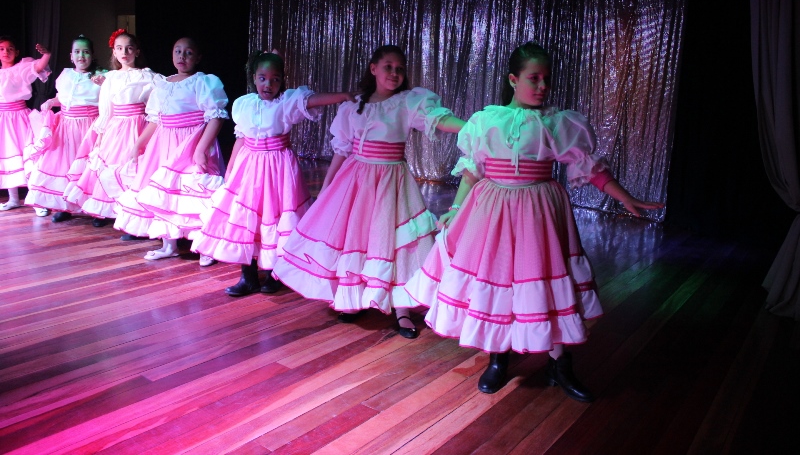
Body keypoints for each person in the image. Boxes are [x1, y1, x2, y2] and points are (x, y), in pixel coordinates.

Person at [405, 41, 664, 399]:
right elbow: (473, 170)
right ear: (513, 79)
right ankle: (499, 356)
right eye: (534, 78)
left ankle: (559, 363)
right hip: (493, 210)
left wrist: (625, 198)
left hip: (538, 211)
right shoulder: (487, 120)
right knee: (498, 279)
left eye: (546, 79)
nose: (542, 86)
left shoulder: (557, 123)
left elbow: (589, 168)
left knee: (541, 280)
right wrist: (457, 207)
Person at [273, 45, 465, 339]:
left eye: (400, 69)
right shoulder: (354, 106)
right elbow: (342, 149)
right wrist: (327, 186)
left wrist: (469, 126)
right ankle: (354, 298)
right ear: (373, 68)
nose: (395, 73)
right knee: (357, 238)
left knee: (396, 243)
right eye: (388, 67)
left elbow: (436, 119)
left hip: (391, 182)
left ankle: (402, 308)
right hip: (357, 180)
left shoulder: (407, 102)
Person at [191, 50, 355, 293]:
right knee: (249, 218)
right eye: (263, 78)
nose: (268, 84)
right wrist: (231, 169)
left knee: (275, 216)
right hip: (250, 167)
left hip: (278, 168)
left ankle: (274, 273)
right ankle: (248, 275)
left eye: (275, 79)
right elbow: (241, 138)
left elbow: (312, 100)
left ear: (282, 81)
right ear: (254, 78)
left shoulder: (286, 102)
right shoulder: (244, 104)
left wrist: (343, 95)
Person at [110, 37, 228, 263]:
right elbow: (156, 119)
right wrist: (139, 143)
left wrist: (201, 149)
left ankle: (205, 245)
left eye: (188, 53)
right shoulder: (163, 83)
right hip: (164, 145)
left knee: (194, 191)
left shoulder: (202, 82)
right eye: (178, 51)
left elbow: (216, 116)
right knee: (166, 194)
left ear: (198, 57)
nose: (182, 56)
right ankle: (169, 245)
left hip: (190, 143)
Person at [63, 29, 158, 228]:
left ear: (137, 51)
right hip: (117, 128)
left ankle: (132, 213)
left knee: (134, 167)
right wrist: (100, 136)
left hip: (138, 125)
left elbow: (154, 106)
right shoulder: (111, 78)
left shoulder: (148, 76)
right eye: (120, 48)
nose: (125, 52)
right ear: (114, 52)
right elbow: (106, 110)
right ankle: (105, 209)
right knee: (109, 166)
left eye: (129, 48)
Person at [25, 35, 104, 220]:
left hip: (88, 126)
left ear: (92, 55)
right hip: (66, 126)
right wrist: (52, 101)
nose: (81, 56)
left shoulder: (101, 75)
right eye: (77, 52)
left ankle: (95, 209)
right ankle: (66, 205)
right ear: (71, 56)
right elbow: (63, 97)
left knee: (88, 166)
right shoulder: (66, 74)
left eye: (86, 52)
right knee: (65, 165)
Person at [0, 36, 50, 210]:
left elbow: (39, 66)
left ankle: (36, 200)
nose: (6, 52)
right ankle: (13, 199)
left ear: (16, 52)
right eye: (1, 49)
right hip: (3, 119)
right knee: (8, 155)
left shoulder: (21, 68)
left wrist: (47, 54)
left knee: (27, 155)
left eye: (10, 49)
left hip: (20, 117)